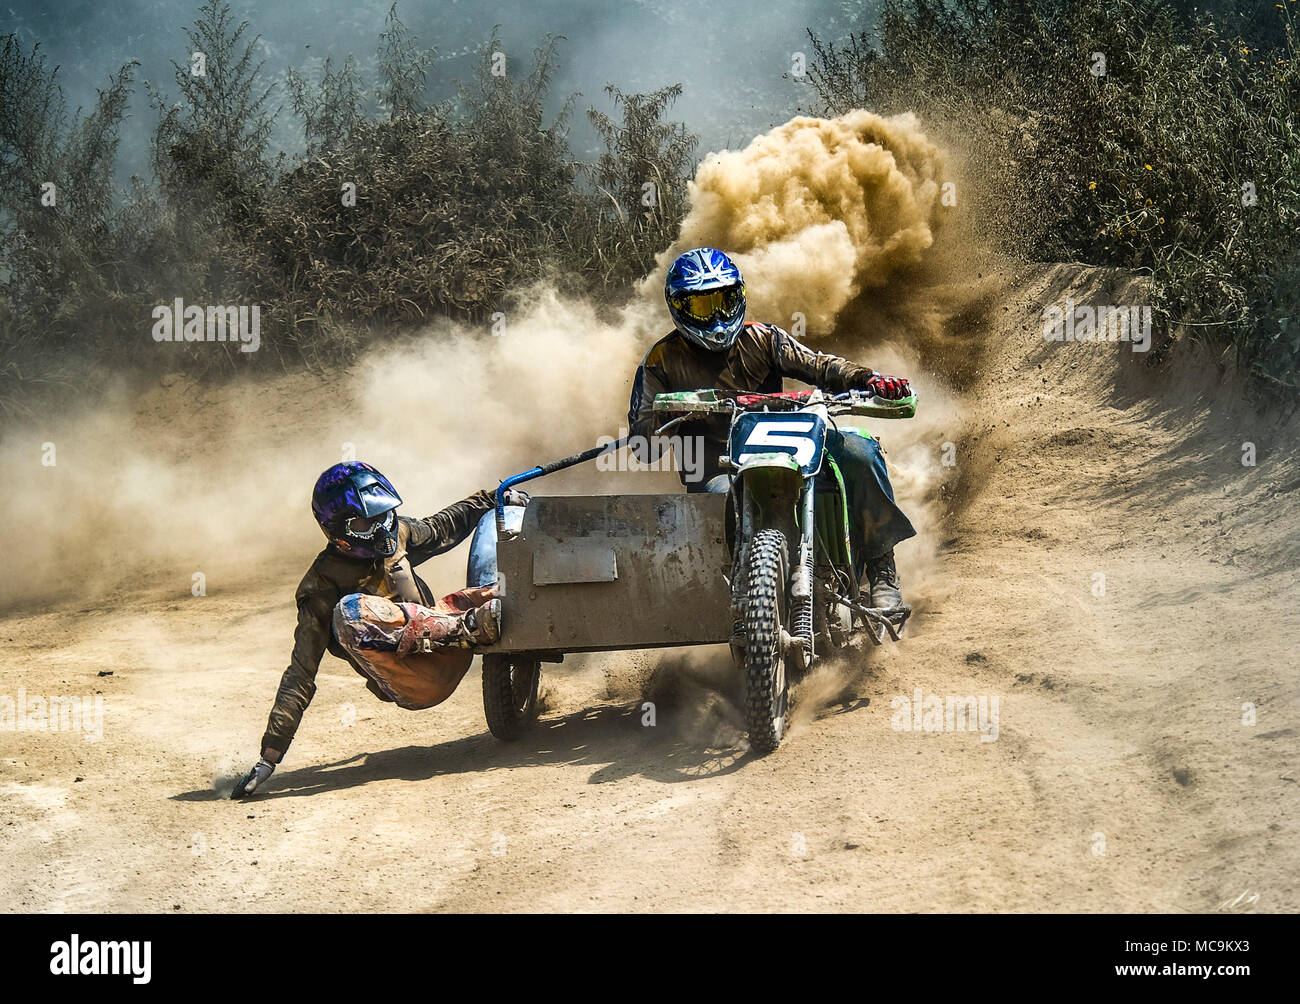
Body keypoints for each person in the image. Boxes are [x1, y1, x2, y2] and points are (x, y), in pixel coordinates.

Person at [627, 247, 916, 610]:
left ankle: (881, 566)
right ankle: (740, 598)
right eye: (702, 306)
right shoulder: (659, 362)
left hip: (787, 443)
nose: (716, 316)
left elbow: (819, 365)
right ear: (679, 308)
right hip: (718, 467)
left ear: (739, 297)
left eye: (724, 301)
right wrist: (667, 417)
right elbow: (643, 447)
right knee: (720, 501)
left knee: (861, 452)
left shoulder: (763, 338)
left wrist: (867, 378)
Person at [231, 461, 526, 798]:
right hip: (414, 679)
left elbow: (442, 526)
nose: (380, 528)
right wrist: (269, 757)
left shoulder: (397, 534)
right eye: (363, 522)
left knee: (495, 539)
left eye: (382, 514)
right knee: (350, 612)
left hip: (450, 648)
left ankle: (497, 622)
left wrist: (493, 498)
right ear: (335, 531)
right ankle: (470, 625)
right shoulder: (321, 586)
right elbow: (300, 673)